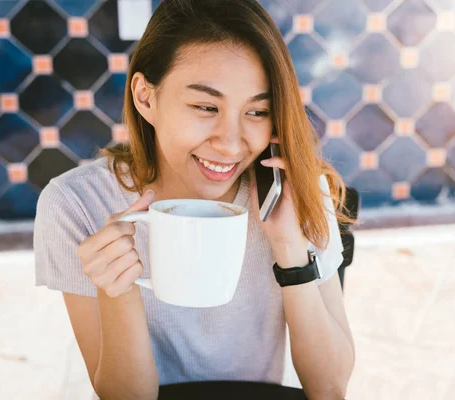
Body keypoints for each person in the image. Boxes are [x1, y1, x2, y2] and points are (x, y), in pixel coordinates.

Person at [34, 0, 355, 398]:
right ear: (145, 97)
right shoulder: (76, 204)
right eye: (206, 107)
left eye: (257, 112)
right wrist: (118, 291)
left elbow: (330, 388)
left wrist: (290, 248)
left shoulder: (293, 190)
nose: (231, 142)